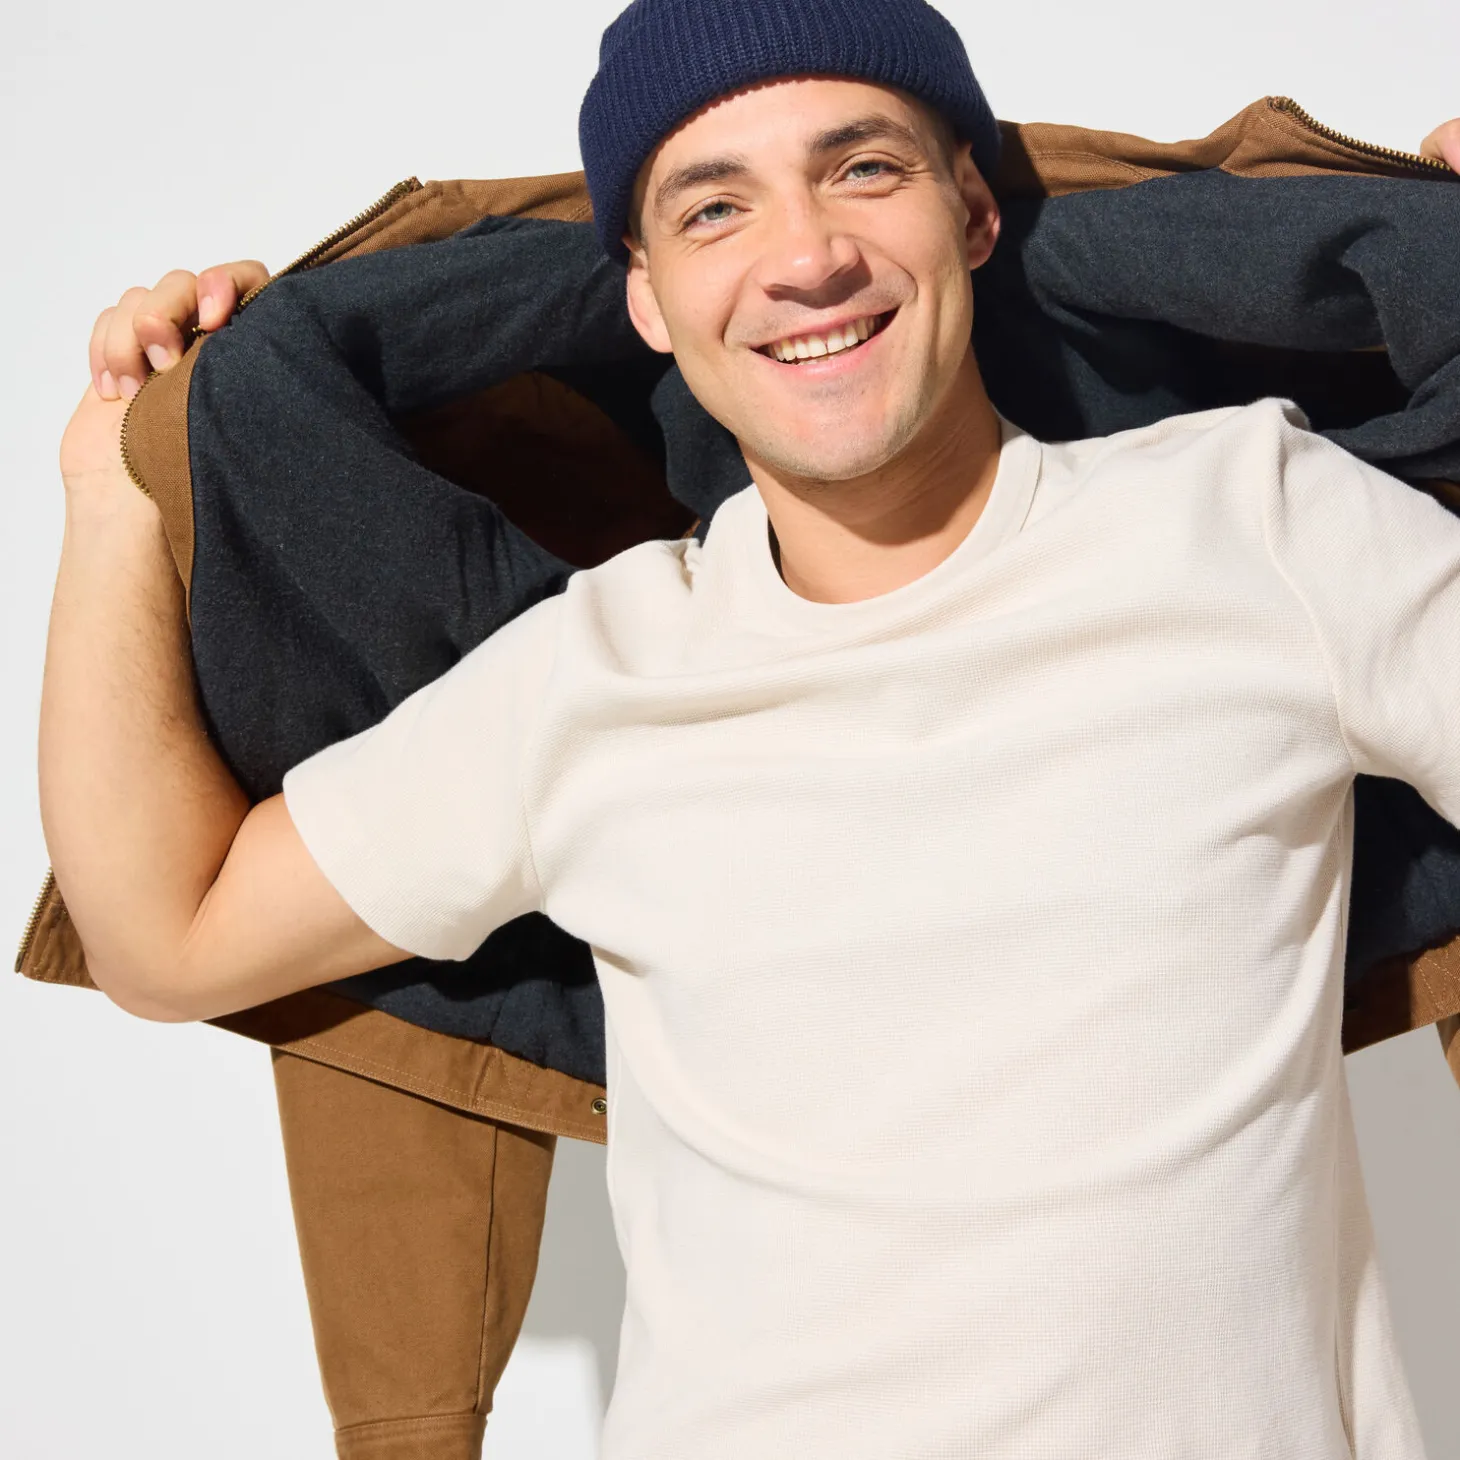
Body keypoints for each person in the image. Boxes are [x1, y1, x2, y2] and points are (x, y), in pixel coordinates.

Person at [40, 0, 1460, 1454]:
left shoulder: (1252, 524)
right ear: (647, 300)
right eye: (715, 209)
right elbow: (169, 936)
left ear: (975, 212)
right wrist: (113, 492)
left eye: (864, 169)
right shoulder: (591, 677)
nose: (805, 256)